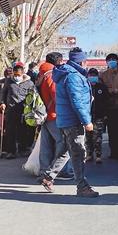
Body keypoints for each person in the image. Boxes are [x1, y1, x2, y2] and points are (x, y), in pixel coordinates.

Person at [48, 47, 99, 197]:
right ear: (82, 62)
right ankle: (82, 187)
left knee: (66, 150)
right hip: (73, 120)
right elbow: (77, 101)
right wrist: (87, 121)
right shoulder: (73, 77)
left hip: (65, 119)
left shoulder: (66, 73)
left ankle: (48, 176)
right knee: (78, 154)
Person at [36, 52, 72, 186]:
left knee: (46, 145)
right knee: (63, 144)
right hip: (54, 114)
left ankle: (44, 171)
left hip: (44, 114)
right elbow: (56, 95)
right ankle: (61, 171)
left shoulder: (41, 74)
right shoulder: (51, 75)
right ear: (58, 61)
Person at [0, 65, 36, 159]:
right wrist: (2, 103)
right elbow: (3, 93)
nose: (16, 77)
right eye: (15, 75)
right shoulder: (9, 81)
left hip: (23, 110)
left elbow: (33, 96)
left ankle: (23, 149)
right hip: (11, 109)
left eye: (18, 75)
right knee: (10, 131)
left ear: (23, 73)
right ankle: (11, 151)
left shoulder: (29, 83)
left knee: (23, 130)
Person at [100, 54, 118, 160]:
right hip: (110, 107)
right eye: (109, 60)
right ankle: (113, 152)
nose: (111, 62)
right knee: (112, 131)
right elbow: (100, 89)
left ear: (117, 61)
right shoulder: (103, 75)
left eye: (113, 60)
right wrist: (110, 91)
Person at [86, 68, 108, 163]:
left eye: (94, 75)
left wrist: (105, 114)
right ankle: (89, 154)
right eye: (91, 75)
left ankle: (98, 155)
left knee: (98, 136)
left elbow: (106, 101)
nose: (92, 77)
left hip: (99, 115)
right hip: (88, 116)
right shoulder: (85, 87)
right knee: (88, 137)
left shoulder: (102, 87)